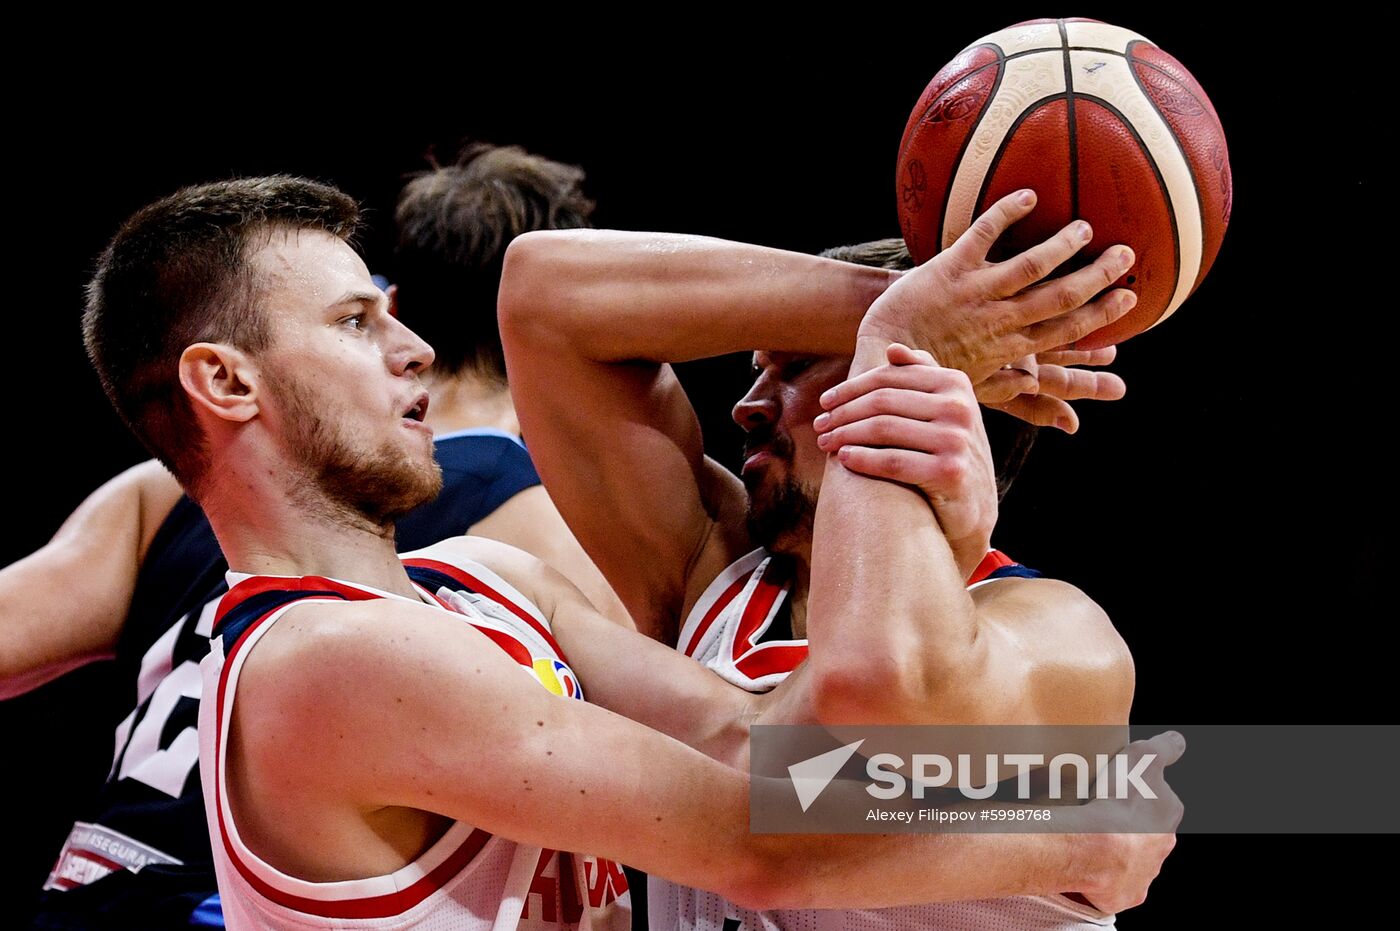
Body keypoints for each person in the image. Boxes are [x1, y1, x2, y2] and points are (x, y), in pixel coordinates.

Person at [77, 176, 1174, 929]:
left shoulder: (491, 587)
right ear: (224, 382)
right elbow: (761, 819)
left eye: (797, 369)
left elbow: (761, 746)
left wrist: (908, 344)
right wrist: (1052, 835)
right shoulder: (338, 657)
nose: (419, 352)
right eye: (358, 322)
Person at [6, 144, 623, 929]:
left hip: (88, 886)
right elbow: (742, 807)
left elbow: (725, 762)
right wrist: (832, 337)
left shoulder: (172, 489)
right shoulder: (491, 545)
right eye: (355, 319)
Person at [497, 194, 1145, 928]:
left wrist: (907, 335)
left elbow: (865, 687)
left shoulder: (1064, 638)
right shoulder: (716, 568)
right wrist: (909, 316)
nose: (746, 403)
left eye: (796, 364)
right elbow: (542, 297)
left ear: (945, 401)